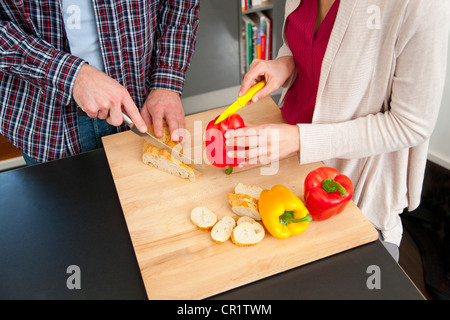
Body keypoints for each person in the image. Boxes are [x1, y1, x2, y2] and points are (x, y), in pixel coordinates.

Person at [225, 0, 450, 261]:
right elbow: (310, 43)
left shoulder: (424, 4)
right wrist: (286, 62)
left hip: (350, 191)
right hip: (290, 159)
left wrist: (301, 139)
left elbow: (410, 125)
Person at [0, 0, 200, 165]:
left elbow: (182, 5)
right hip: (45, 121)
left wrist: (166, 81)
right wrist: (72, 75)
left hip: (142, 104)